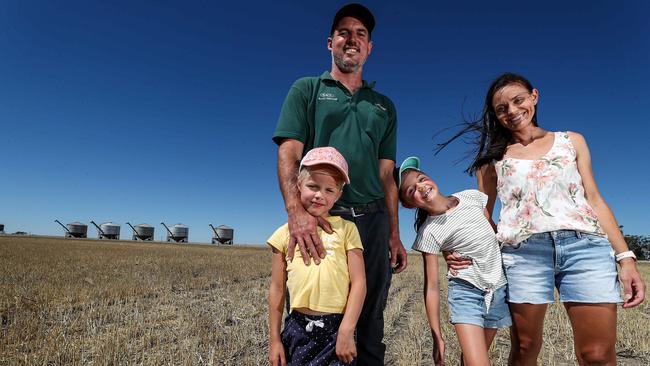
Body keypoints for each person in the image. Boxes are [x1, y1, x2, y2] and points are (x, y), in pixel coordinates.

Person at [440, 72, 646, 365]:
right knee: (525, 348)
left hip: (585, 248)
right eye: (502, 109)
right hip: (523, 256)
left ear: (534, 97)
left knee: (597, 354)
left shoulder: (571, 141)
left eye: (518, 100)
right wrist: (454, 248)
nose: (512, 111)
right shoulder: (491, 162)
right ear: (496, 116)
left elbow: (595, 199)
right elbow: (480, 219)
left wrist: (625, 258)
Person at [272, 4, 407, 364]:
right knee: (313, 310)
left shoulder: (384, 106)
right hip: (321, 217)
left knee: (371, 314)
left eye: (361, 34)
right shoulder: (307, 89)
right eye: (344, 32)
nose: (352, 38)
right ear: (330, 42)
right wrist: (296, 211)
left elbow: (387, 174)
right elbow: (289, 152)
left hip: (373, 218)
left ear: (370, 48)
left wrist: (394, 233)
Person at [397, 156, 511, 366]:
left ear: (430, 177)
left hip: (497, 286)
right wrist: (436, 336)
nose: (421, 187)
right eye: (411, 190)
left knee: (470, 359)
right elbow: (431, 286)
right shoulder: (428, 233)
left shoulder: (471, 197)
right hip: (466, 291)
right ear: (408, 204)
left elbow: (491, 231)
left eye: (421, 179)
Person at [268, 147, 366, 366]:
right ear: (298, 186)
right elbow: (277, 287)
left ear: (339, 194)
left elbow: (359, 282)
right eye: (313, 186)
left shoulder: (347, 230)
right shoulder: (283, 234)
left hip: (336, 331)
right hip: (297, 329)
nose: (320, 194)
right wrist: (274, 339)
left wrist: (347, 330)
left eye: (329, 190)